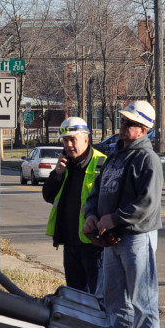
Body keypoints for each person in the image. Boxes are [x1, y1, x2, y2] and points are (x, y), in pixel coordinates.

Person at [83, 100, 165, 328]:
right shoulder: (115, 157)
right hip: (112, 240)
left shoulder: (147, 159)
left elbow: (148, 202)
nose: (123, 126)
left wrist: (115, 218)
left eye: (130, 123)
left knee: (143, 298)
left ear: (143, 129)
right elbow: (96, 194)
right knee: (114, 297)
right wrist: (91, 215)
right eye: (123, 121)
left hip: (136, 237)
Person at [42, 117, 106, 295]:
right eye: (65, 140)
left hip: (94, 245)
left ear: (86, 139)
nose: (69, 145)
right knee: (75, 297)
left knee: (96, 297)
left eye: (73, 139)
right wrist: (57, 174)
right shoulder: (64, 166)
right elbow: (48, 195)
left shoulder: (103, 164)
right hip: (70, 243)